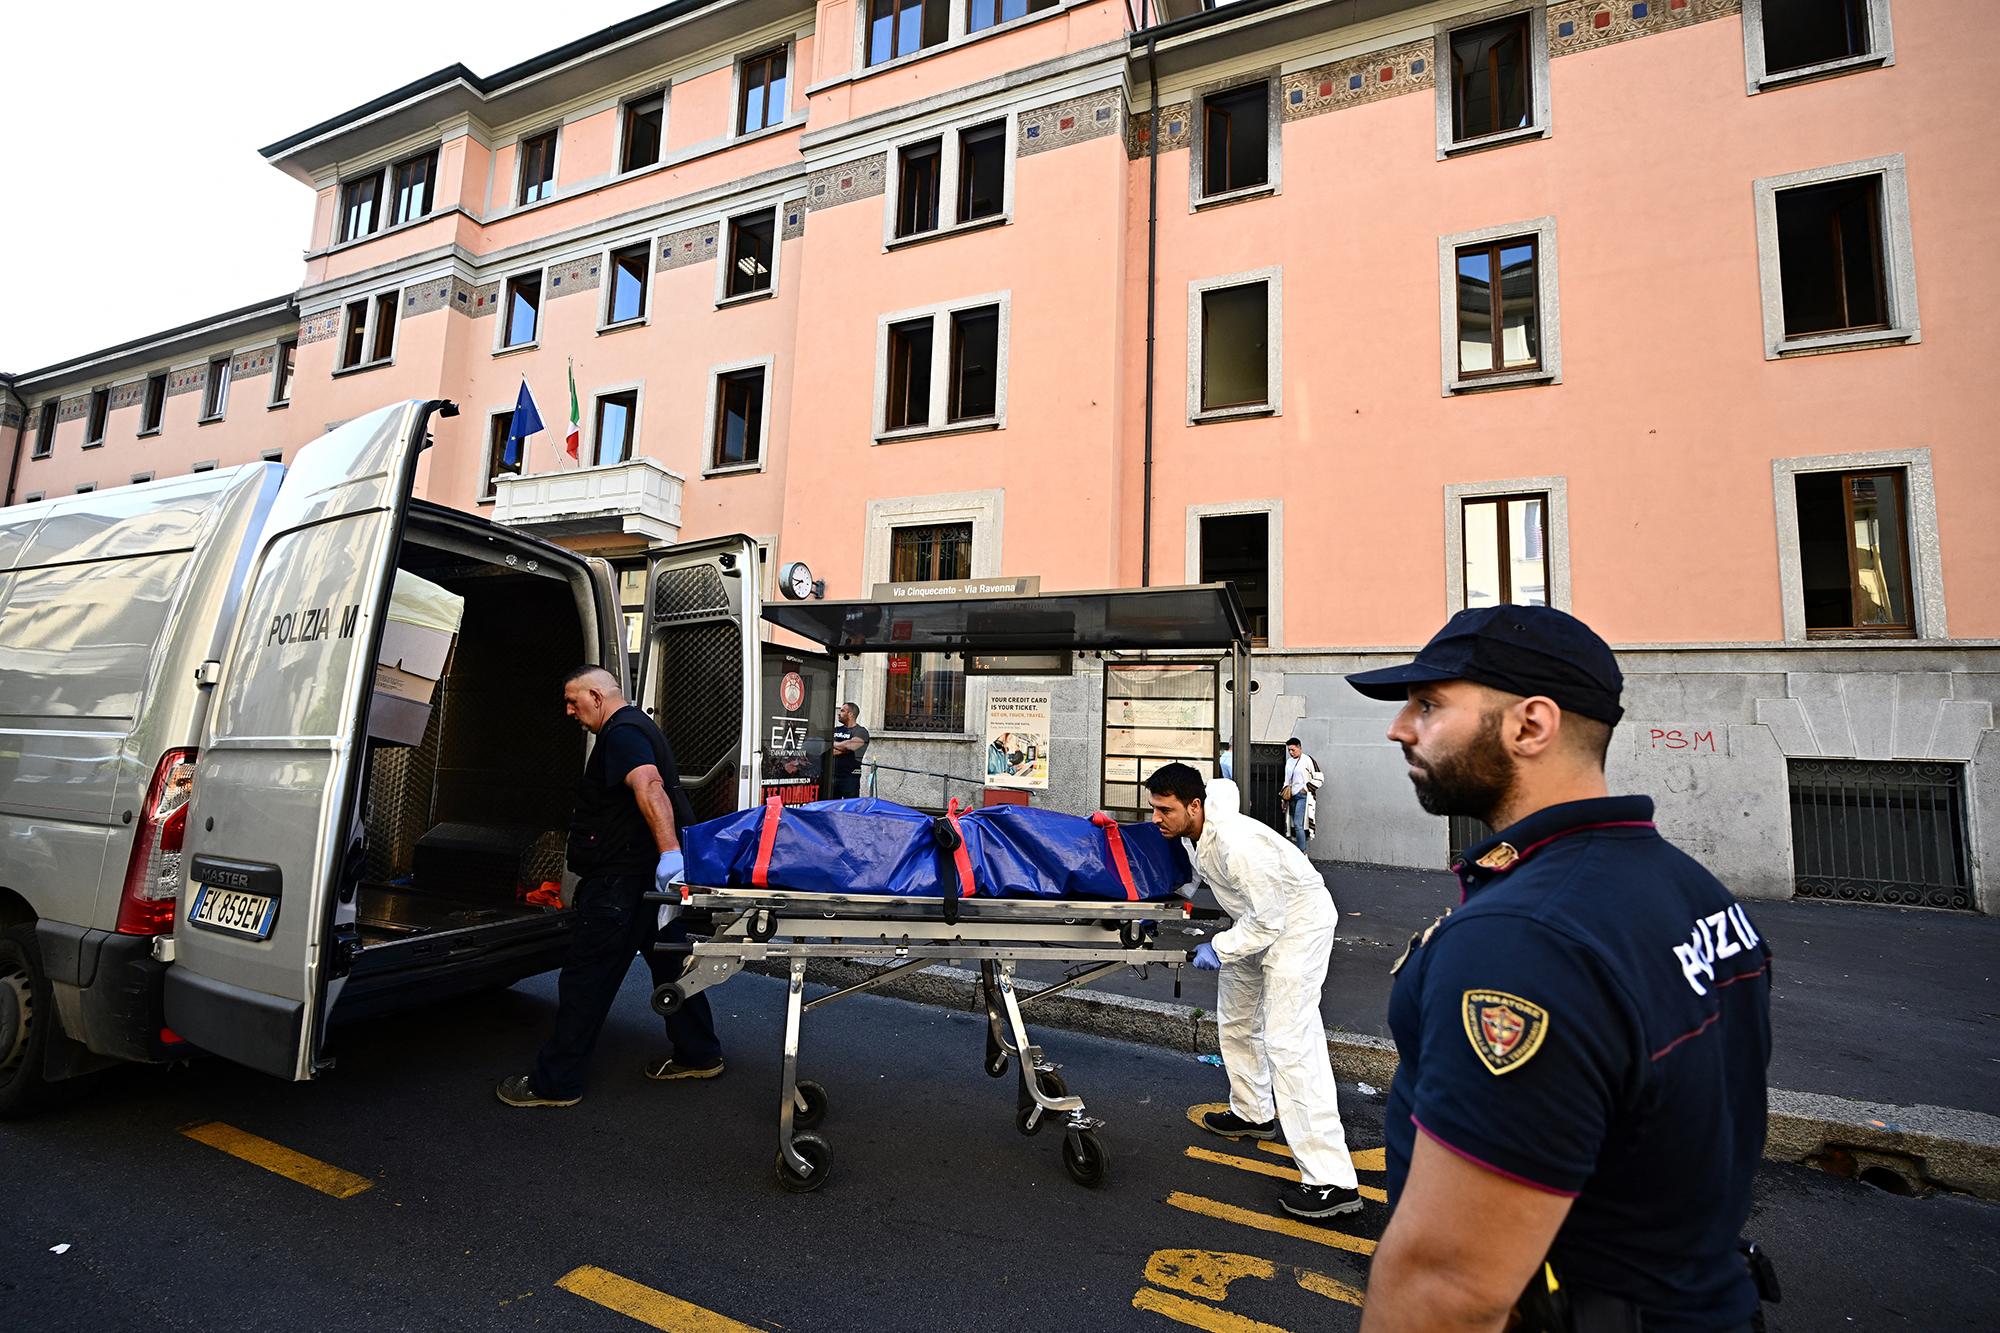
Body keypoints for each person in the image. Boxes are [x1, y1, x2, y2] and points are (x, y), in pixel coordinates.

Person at [1344, 606, 1774, 1333]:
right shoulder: (1688, 884)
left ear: (1531, 726)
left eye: (1429, 705)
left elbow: (1447, 1284)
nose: (1399, 728)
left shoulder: (1524, 939)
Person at [497, 665, 723, 1106]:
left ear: (597, 697)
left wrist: (669, 852)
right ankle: (699, 1053)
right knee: (673, 966)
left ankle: (555, 1083)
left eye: (573, 701)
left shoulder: (621, 734)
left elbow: (650, 787)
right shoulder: (641, 726)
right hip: (648, 884)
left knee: (587, 978)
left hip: (621, 885)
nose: (569, 711)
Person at [1146, 763, 1362, 1220]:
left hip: (1297, 927)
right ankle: (1253, 1113)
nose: (1156, 818)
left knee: (1290, 1042)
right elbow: (1197, 881)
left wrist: (1220, 947)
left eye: (1164, 810)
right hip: (1254, 924)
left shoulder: (1238, 844)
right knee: (1238, 1020)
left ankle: (1332, 1181)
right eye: (1154, 809)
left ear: (1194, 805)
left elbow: (1271, 920)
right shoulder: (1197, 835)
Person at [1280, 737, 1321, 856]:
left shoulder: (1308, 760)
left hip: (1303, 797)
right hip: (1291, 796)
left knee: (1298, 823)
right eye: (1289, 750)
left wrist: (1306, 789)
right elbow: (1286, 781)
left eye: (1293, 750)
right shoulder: (1289, 762)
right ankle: (1300, 851)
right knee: (1294, 824)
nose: (1291, 753)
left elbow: (1319, 777)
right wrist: (1283, 799)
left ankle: (1302, 852)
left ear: (1300, 748)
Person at [830, 701, 869, 799]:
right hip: (831, 776)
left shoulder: (860, 731)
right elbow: (826, 748)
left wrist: (832, 744)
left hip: (850, 778)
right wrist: (843, 747)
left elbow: (850, 746)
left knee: (851, 809)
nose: (839, 713)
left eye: (842, 711)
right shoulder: (836, 730)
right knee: (831, 807)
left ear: (850, 714)